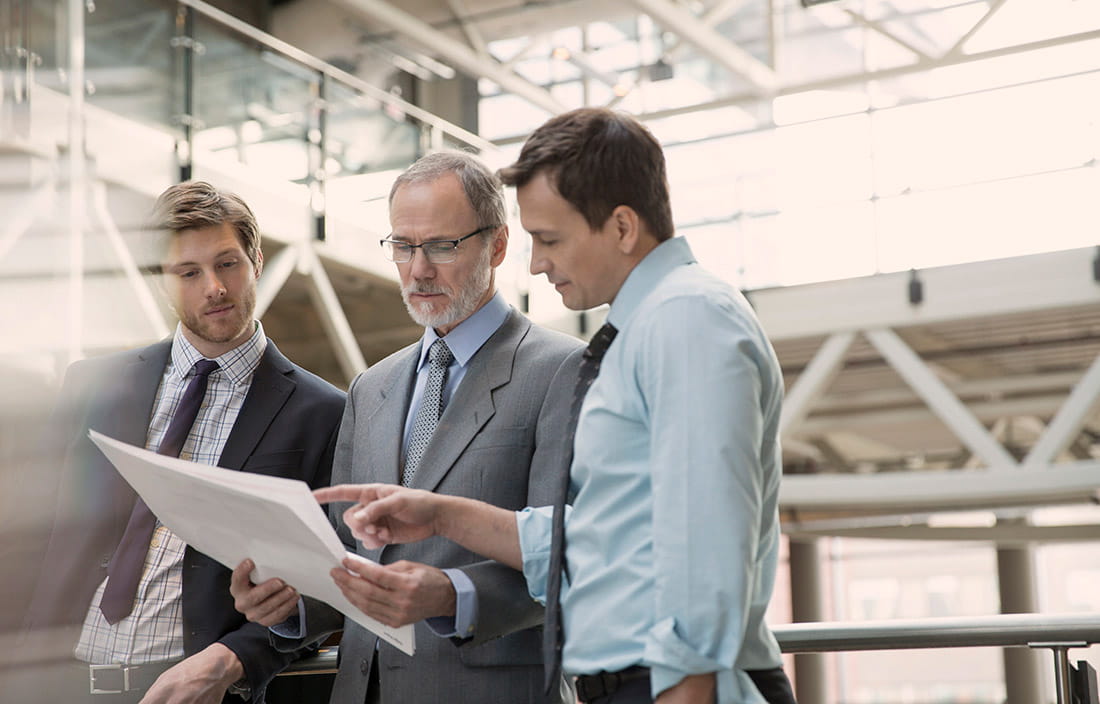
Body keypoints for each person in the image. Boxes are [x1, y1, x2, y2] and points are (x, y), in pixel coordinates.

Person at [316, 107, 797, 704]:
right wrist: (442, 515)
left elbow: (707, 546)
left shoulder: (686, 320)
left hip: (674, 683)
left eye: (549, 238)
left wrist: (684, 688)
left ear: (622, 227)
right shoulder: (649, 326)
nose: (538, 261)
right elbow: (595, 539)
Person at [230, 151, 582, 704]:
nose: (418, 269)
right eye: (403, 245)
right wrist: (291, 604)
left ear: (496, 245)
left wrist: (451, 595)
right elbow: (348, 557)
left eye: (441, 246)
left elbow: (570, 557)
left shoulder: (562, 370)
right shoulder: (372, 387)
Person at [18, 180, 346, 703]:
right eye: (188, 273)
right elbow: (32, 536)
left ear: (256, 260)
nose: (213, 287)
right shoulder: (93, 384)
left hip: (192, 689)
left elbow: (328, 582)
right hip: (55, 684)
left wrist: (232, 661)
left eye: (227, 263)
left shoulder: (326, 412)